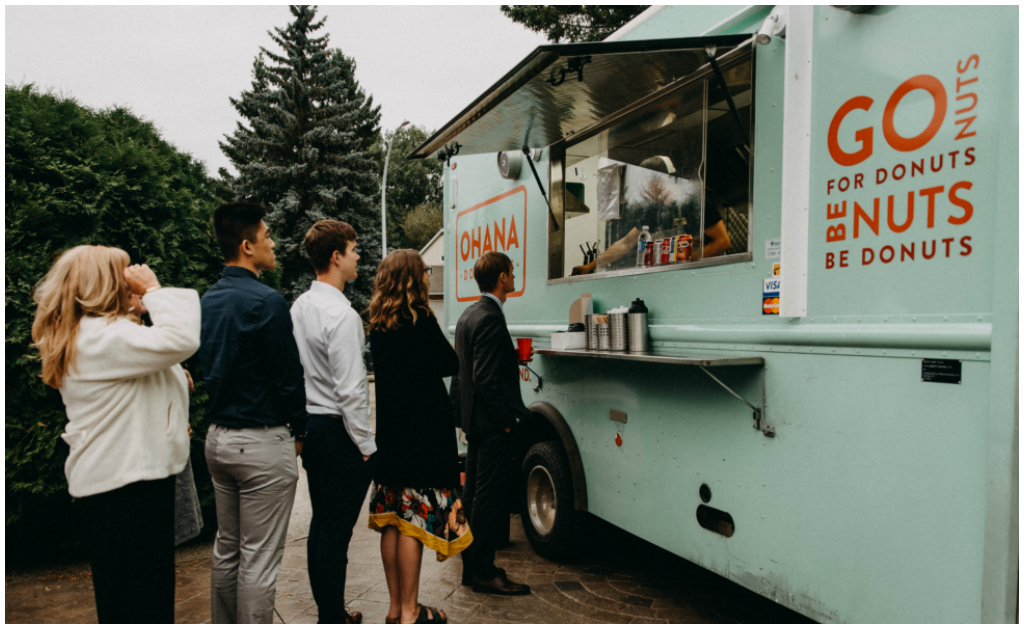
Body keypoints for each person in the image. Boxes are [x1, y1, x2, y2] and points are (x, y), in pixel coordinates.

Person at [31, 246, 200, 623]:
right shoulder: (101, 337)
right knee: (141, 603)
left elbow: (157, 366)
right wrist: (155, 290)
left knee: (131, 599)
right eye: (124, 276)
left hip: (122, 483)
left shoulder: (97, 335)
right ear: (104, 284)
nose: (133, 283)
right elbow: (181, 339)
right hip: (128, 489)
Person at [199, 202, 309, 624]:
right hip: (261, 442)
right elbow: (288, 379)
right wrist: (299, 431)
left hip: (219, 441)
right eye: (266, 237)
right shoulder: (268, 301)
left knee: (227, 549)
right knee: (259, 560)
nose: (273, 243)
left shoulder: (208, 299)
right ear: (247, 246)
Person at [367, 250, 472, 624]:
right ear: (414, 276)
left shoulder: (378, 323)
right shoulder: (421, 319)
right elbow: (450, 363)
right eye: (426, 271)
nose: (429, 276)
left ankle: (395, 608)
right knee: (413, 520)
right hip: (424, 433)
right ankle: (412, 611)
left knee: (394, 518)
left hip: (392, 433)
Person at [290, 220, 376, 624]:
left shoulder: (300, 307)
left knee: (321, 525)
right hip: (340, 433)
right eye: (354, 248)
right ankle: (332, 617)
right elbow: (352, 390)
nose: (359, 255)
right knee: (336, 533)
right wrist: (366, 446)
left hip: (312, 428)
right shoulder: (342, 315)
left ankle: (329, 611)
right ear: (336, 257)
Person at [450, 251, 533, 596]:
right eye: (511, 272)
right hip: (491, 424)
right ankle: (484, 571)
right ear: (501, 278)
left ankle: (473, 567)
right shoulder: (490, 318)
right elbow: (484, 379)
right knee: (486, 499)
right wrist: (508, 421)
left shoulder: (469, 314)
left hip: (473, 421)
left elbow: (464, 375)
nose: (513, 277)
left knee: (472, 496)